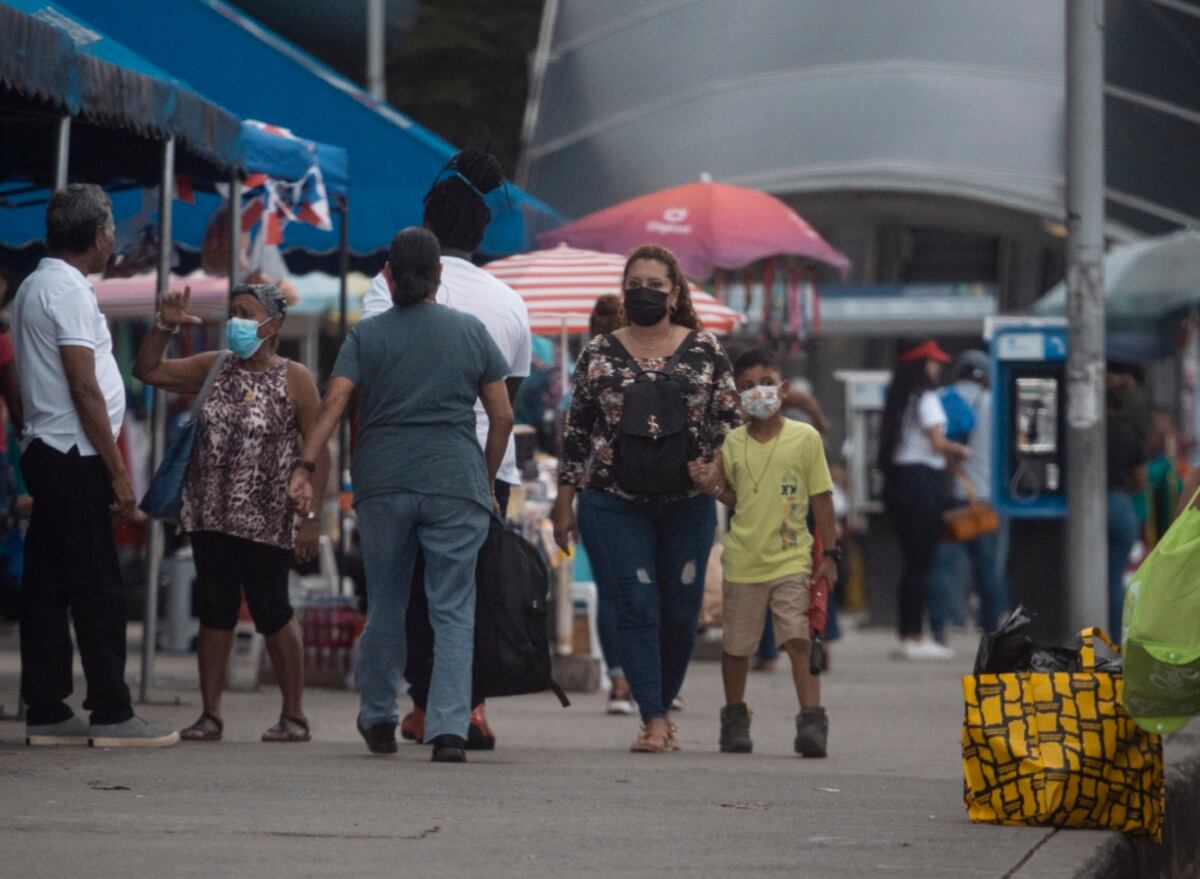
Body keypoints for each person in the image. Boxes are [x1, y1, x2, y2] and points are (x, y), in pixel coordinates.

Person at [290, 227, 514, 762]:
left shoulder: (367, 335)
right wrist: (485, 480)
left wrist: (304, 465)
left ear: (389, 275)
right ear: (439, 275)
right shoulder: (471, 331)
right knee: (453, 608)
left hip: (383, 484)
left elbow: (334, 403)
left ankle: (377, 716)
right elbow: (503, 416)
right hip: (456, 483)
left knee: (387, 604)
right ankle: (449, 728)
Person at [361, 149, 530, 750]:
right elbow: (506, 399)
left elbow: (372, 378)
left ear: (426, 227)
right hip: (484, 463)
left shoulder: (383, 290)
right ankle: (467, 711)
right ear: (482, 233)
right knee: (468, 594)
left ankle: (418, 706)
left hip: (400, 462)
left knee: (405, 595)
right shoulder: (509, 301)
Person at [552, 244, 742, 753]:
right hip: (613, 499)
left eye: (655, 286)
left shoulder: (705, 349)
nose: (644, 293)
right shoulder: (598, 352)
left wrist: (718, 468)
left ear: (675, 294)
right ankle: (653, 717)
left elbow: (731, 422)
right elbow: (576, 433)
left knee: (680, 611)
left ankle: (662, 704)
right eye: (634, 284)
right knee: (636, 603)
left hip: (688, 500)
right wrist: (564, 502)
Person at [12, 184, 177, 747]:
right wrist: (118, 473)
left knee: (48, 585)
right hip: (74, 452)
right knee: (98, 586)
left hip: (48, 447)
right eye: (110, 230)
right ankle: (111, 709)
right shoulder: (68, 291)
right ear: (96, 235)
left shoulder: (37, 284)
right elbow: (83, 386)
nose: (113, 239)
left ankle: (47, 707)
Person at [133, 283, 328, 743]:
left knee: (272, 610)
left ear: (272, 325)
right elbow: (147, 370)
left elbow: (320, 451)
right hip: (209, 512)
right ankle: (210, 715)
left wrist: (311, 520)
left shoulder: (295, 378)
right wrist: (164, 327)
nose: (236, 321)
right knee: (215, 610)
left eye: (247, 313)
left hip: (266, 516)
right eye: (233, 311)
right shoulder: (215, 365)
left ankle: (294, 716)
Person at [690, 349, 839, 756]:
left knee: (798, 640)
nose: (759, 392)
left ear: (783, 388)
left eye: (767, 383)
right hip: (743, 562)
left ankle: (812, 719)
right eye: (748, 387)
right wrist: (710, 484)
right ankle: (734, 718)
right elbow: (736, 497)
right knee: (737, 647)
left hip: (792, 559)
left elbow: (822, 498)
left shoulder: (805, 439)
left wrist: (831, 555)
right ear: (738, 398)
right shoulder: (732, 444)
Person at [878, 339, 970, 660]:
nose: (938, 368)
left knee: (910, 564)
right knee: (922, 563)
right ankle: (916, 637)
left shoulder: (899, 399)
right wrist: (959, 449)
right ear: (921, 365)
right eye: (933, 362)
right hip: (922, 485)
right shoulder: (928, 398)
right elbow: (936, 441)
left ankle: (908, 635)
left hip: (898, 483)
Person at [573, 293, 635, 715]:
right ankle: (638, 678)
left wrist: (566, 497)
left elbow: (572, 434)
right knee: (638, 591)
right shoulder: (650, 358)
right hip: (628, 490)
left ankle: (620, 679)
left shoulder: (590, 362)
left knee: (611, 591)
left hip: (599, 490)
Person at [928, 350, 1009, 641]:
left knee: (943, 565)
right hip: (982, 499)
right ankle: (990, 630)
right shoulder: (993, 402)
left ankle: (939, 627)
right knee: (988, 569)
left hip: (948, 497)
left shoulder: (939, 399)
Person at [1106, 367, 1149, 637]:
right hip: (1122, 506)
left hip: (1090, 510)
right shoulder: (1129, 433)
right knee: (1114, 579)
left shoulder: (1084, 433)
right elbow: (1140, 481)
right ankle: (1114, 638)